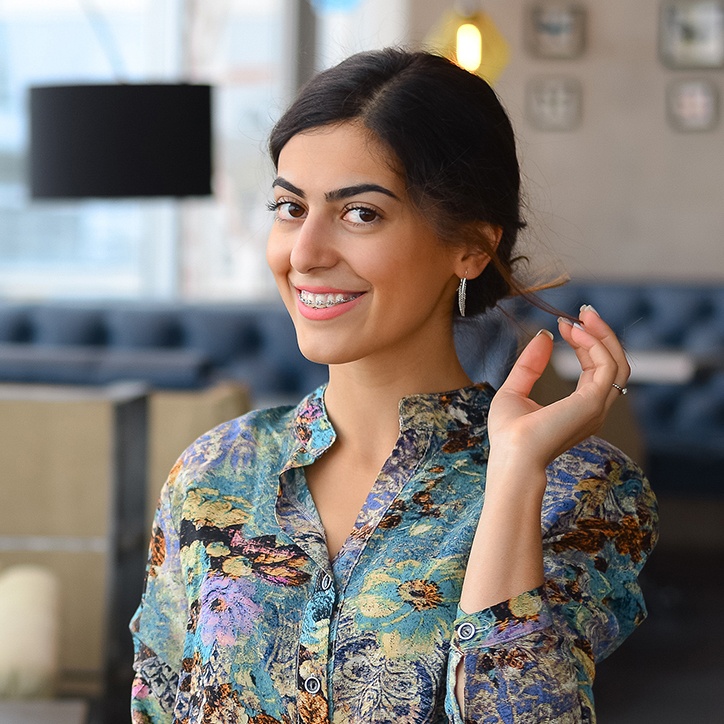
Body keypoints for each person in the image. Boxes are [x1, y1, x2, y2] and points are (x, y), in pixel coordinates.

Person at [130, 48, 658, 723]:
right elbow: (159, 703)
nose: (306, 252)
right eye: (290, 208)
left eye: (360, 214)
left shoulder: (579, 490)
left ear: (470, 245)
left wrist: (516, 475)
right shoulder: (215, 472)